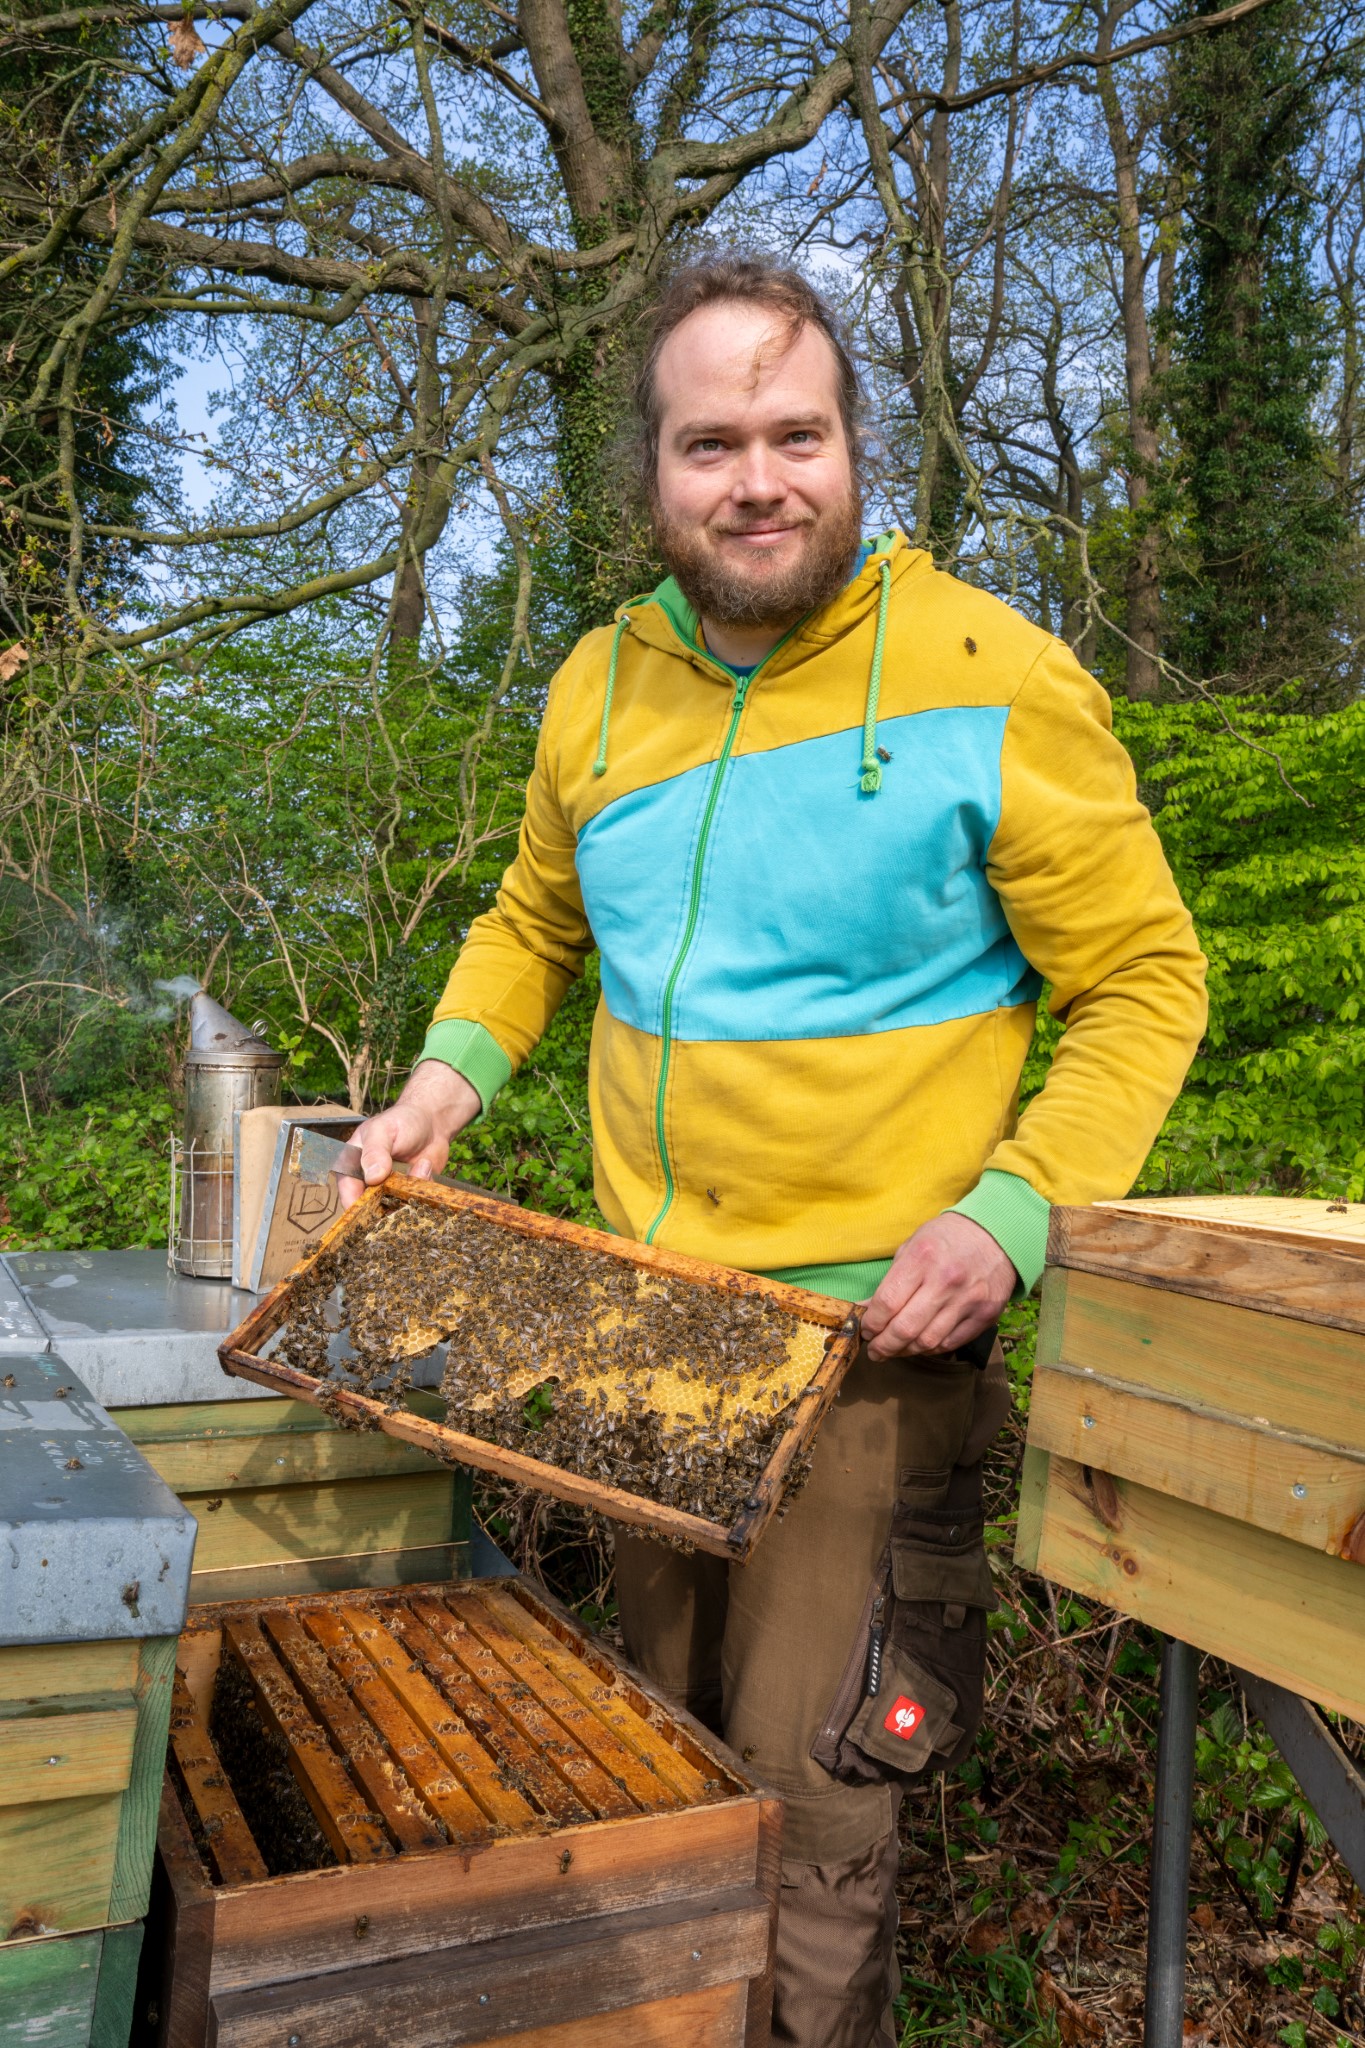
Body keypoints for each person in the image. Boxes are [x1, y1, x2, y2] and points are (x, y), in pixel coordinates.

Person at [341, 256, 1207, 2046]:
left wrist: (1009, 1217)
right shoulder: (599, 684)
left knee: (810, 1818)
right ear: (649, 474)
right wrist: (439, 1083)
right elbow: (534, 922)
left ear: (854, 446)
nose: (758, 481)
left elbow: (1141, 981)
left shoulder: (990, 672)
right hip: (646, 1335)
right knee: (653, 1774)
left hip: (865, 1352)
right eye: (710, 444)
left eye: (795, 436)